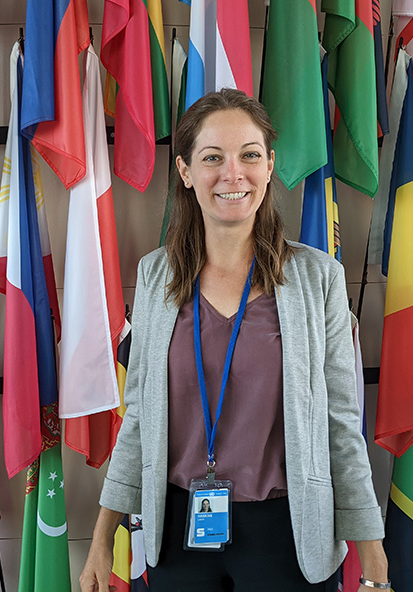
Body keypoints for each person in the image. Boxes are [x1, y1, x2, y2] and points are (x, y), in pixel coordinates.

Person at [80, 89, 389, 592]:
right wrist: (100, 538)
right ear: (185, 172)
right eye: (212, 158)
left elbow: (340, 425)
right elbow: (138, 418)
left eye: (249, 155)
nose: (233, 173)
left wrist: (372, 557)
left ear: (269, 166)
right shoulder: (156, 276)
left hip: (288, 536)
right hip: (179, 533)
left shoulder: (319, 280)